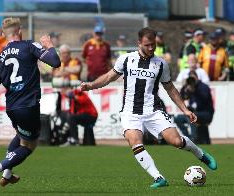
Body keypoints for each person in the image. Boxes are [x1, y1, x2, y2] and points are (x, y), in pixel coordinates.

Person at [80, 27, 217, 188]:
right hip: (130, 111)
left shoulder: (161, 64)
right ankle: (159, 178)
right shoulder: (126, 59)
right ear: (139, 43)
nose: (151, 48)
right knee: (135, 142)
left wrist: (185, 110)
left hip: (153, 110)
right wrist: (90, 85)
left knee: (176, 141)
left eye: (153, 45)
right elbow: (109, 77)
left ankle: (201, 154)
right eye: (147, 45)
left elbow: (170, 88)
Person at [0, 17, 61, 190]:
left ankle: (7, 175)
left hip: (12, 107)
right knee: (30, 145)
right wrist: (48, 45)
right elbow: (55, 62)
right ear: (20, 31)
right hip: (28, 105)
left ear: (4, 35)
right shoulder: (29, 45)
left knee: (21, 136)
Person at [174, 71, 214, 144]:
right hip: (194, 113)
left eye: (193, 78)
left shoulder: (203, 87)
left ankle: (194, 139)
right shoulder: (188, 86)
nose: (192, 80)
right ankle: (188, 138)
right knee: (177, 118)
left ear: (197, 78)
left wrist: (194, 91)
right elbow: (181, 98)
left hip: (206, 113)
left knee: (191, 116)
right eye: (190, 78)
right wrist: (185, 88)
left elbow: (205, 99)